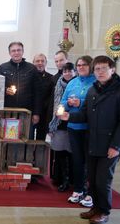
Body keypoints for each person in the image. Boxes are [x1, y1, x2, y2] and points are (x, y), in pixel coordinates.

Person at [59, 55, 120, 224]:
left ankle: (104, 211)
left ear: (112, 69)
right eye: (97, 69)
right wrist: (69, 116)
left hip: (110, 144)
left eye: (103, 68)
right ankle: (95, 208)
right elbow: (84, 114)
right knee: (92, 179)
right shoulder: (94, 89)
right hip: (93, 141)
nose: (99, 72)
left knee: (103, 180)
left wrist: (116, 145)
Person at [60, 55, 96, 207]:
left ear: (91, 66)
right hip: (73, 127)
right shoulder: (72, 83)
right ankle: (79, 190)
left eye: (84, 65)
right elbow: (62, 102)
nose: (81, 67)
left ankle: (90, 193)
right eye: (79, 65)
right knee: (77, 160)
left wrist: (80, 102)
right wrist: (65, 106)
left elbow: (96, 103)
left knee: (90, 161)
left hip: (89, 128)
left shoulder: (96, 83)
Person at [0, 42, 41, 139]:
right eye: (13, 50)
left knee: (26, 140)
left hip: (26, 112)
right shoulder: (2, 68)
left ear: (23, 51)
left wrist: (36, 113)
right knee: (8, 140)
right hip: (8, 112)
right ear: (10, 53)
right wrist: (5, 90)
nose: (16, 53)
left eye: (18, 50)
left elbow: (38, 92)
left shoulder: (32, 68)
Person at [48, 62, 76, 192]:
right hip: (59, 123)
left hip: (74, 123)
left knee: (72, 154)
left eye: (70, 71)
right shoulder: (57, 83)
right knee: (59, 153)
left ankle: (72, 179)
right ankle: (62, 179)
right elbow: (52, 104)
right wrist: (52, 123)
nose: (67, 73)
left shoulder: (77, 85)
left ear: (74, 72)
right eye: (65, 71)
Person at [49, 50, 69, 183]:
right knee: (57, 151)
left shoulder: (75, 78)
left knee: (69, 152)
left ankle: (68, 179)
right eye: (56, 61)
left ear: (67, 60)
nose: (59, 63)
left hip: (71, 119)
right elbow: (51, 102)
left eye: (61, 60)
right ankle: (57, 177)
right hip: (57, 120)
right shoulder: (53, 79)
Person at [32, 53, 53, 140]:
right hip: (30, 113)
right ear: (33, 63)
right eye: (37, 61)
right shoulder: (29, 76)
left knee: (41, 140)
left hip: (44, 114)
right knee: (28, 138)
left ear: (46, 63)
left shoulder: (51, 78)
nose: (40, 63)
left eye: (42, 61)